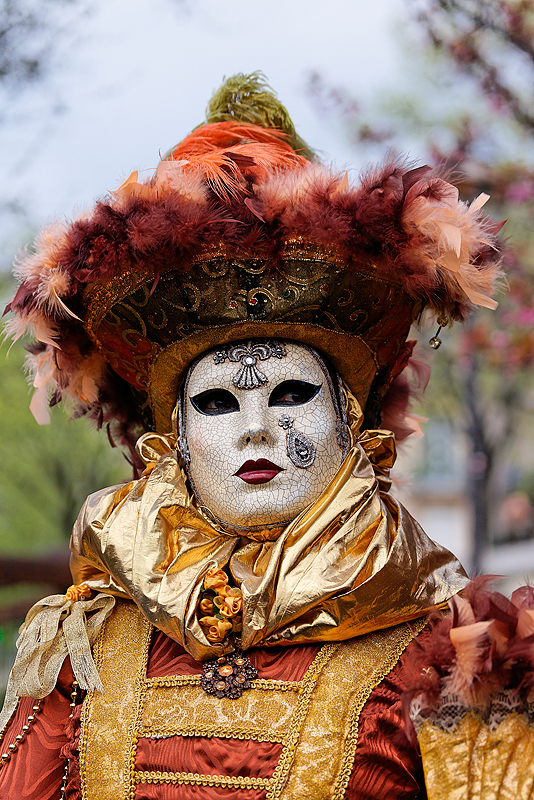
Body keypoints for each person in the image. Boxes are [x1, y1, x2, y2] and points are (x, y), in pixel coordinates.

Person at [0, 73, 530, 800]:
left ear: (351, 427)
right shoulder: (83, 649)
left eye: (290, 394)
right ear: (173, 444)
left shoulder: (453, 659)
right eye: (217, 403)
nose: (257, 429)